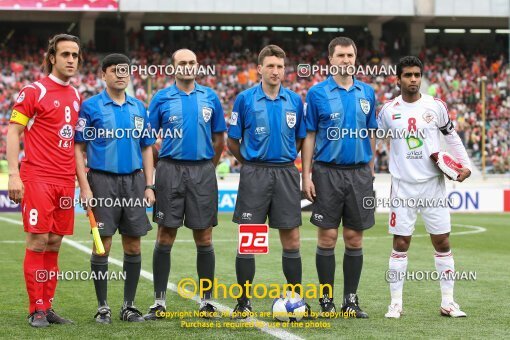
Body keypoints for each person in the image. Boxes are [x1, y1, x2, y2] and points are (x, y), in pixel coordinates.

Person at [377, 56, 471, 318]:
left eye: (417, 75)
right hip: (403, 186)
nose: (413, 79)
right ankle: (395, 303)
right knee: (401, 242)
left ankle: (448, 302)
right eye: (407, 75)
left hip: (434, 185)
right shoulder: (387, 111)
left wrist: (465, 165)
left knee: (442, 241)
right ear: (398, 79)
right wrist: (367, 172)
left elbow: (451, 136)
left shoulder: (436, 106)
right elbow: (373, 141)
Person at [144, 49, 226, 319]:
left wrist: (207, 167)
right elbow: (147, 139)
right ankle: (159, 302)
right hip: (169, 170)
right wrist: (161, 167)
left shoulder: (210, 97)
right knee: (165, 234)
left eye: (192, 62)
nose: (188, 66)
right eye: (182, 63)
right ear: (173, 67)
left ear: (197, 65)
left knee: (204, 236)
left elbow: (219, 141)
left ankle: (206, 301)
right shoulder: (162, 98)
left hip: (202, 171)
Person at [7, 33, 82, 327]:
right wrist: (14, 174)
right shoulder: (33, 91)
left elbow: (74, 143)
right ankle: (35, 308)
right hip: (37, 175)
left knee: (54, 243)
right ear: (52, 57)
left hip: (65, 180)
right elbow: (13, 131)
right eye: (65, 54)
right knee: (38, 240)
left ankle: (48, 307)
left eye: (75, 55)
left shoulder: (76, 95)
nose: (71, 60)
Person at [75, 54, 156, 323]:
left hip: (133, 183)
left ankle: (129, 306)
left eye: (125, 70)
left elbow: (146, 147)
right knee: (103, 245)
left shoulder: (138, 107)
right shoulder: (90, 107)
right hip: (102, 182)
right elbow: (78, 148)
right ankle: (103, 307)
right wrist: (85, 187)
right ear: (103, 75)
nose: (121, 74)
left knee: (133, 245)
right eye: (115, 70)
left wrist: (149, 185)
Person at [227, 45, 307, 318]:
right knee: (249, 239)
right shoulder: (244, 99)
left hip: (285, 173)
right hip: (255, 174)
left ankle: (296, 300)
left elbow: (300, 138)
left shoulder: (295, 100)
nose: (276, 71)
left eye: (280, 67)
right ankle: (244, 302)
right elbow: (232, 140)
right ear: (259, 69)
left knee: (292, 239)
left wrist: (284, 158)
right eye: (270, 66)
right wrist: (250, 162)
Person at [301, 37, 377, 318]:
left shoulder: (367, 92)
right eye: (341, 55)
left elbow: (371, 134)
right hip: (326, 172)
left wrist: (370, 172)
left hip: (358, 174)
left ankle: (351, 301)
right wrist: (306, 175)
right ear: (330, 60)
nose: (346, 60)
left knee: (355, 239)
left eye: (350, 55)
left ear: (355, 59)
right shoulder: (317, 93)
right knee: (328, 237)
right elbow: (309, 136)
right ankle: (326, 300)